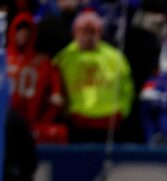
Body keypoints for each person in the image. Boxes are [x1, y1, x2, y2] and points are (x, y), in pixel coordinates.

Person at [53, 11, 134, 142]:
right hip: (76, 120)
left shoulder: (114, 57)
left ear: (99, 33)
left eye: (92, 32)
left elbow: (127, 88)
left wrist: (122, 111)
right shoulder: (64, 58)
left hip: (108, 120)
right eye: (84, 32)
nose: (88, 37)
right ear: (75, 33)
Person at [6, 12, 67, 143]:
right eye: (19, 30)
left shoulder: (43, 62)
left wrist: (46, 117)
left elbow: (57, 97)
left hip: (33, 122)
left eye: (26, 31)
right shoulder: (1, 58)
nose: (23, 34)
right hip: (6, 119)